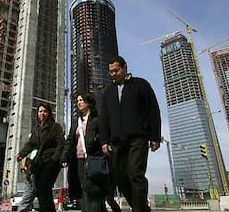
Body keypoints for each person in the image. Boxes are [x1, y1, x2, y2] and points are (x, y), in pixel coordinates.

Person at [100, 56, 161, 212]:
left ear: (125, 67)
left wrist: (155, 136)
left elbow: (153, 110)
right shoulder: (108, 92)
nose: (113, 74)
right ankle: (141, 208)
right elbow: (104, 119)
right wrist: (104, 141)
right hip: (116, 142)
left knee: (136, 174)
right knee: (120, 178)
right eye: (111, 72)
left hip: (138, 139)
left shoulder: (141, 85)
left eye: (116, 70)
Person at [61, 93, 107, 212]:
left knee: (92, 188)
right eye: (78, 101)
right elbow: (70, 140)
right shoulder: (76, 121)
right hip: (79, 160)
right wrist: (64, 157)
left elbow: (103, 136)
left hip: (93, 158)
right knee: (84, 188)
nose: (79, 102)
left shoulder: (97, 119)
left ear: (89, 102)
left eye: (81, 100)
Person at [17, 103, 64, 212]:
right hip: (39, 163)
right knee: (41, 190)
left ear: (49, 113)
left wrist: (55, 159)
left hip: (50, 161)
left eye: (45, 111)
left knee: (43, 187)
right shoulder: (36, 129)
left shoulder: (55, 127)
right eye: (40, 111)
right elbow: (31, 144)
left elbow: (61, 143)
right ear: (37, 113)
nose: (42, 113)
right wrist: (21, 154)